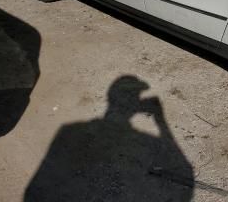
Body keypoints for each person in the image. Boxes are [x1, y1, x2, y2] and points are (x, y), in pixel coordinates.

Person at [24, 75, 194, 201]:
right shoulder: (71, 131)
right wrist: (161, 120)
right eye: (134, 96)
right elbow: (185, 169)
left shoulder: (70, 130)